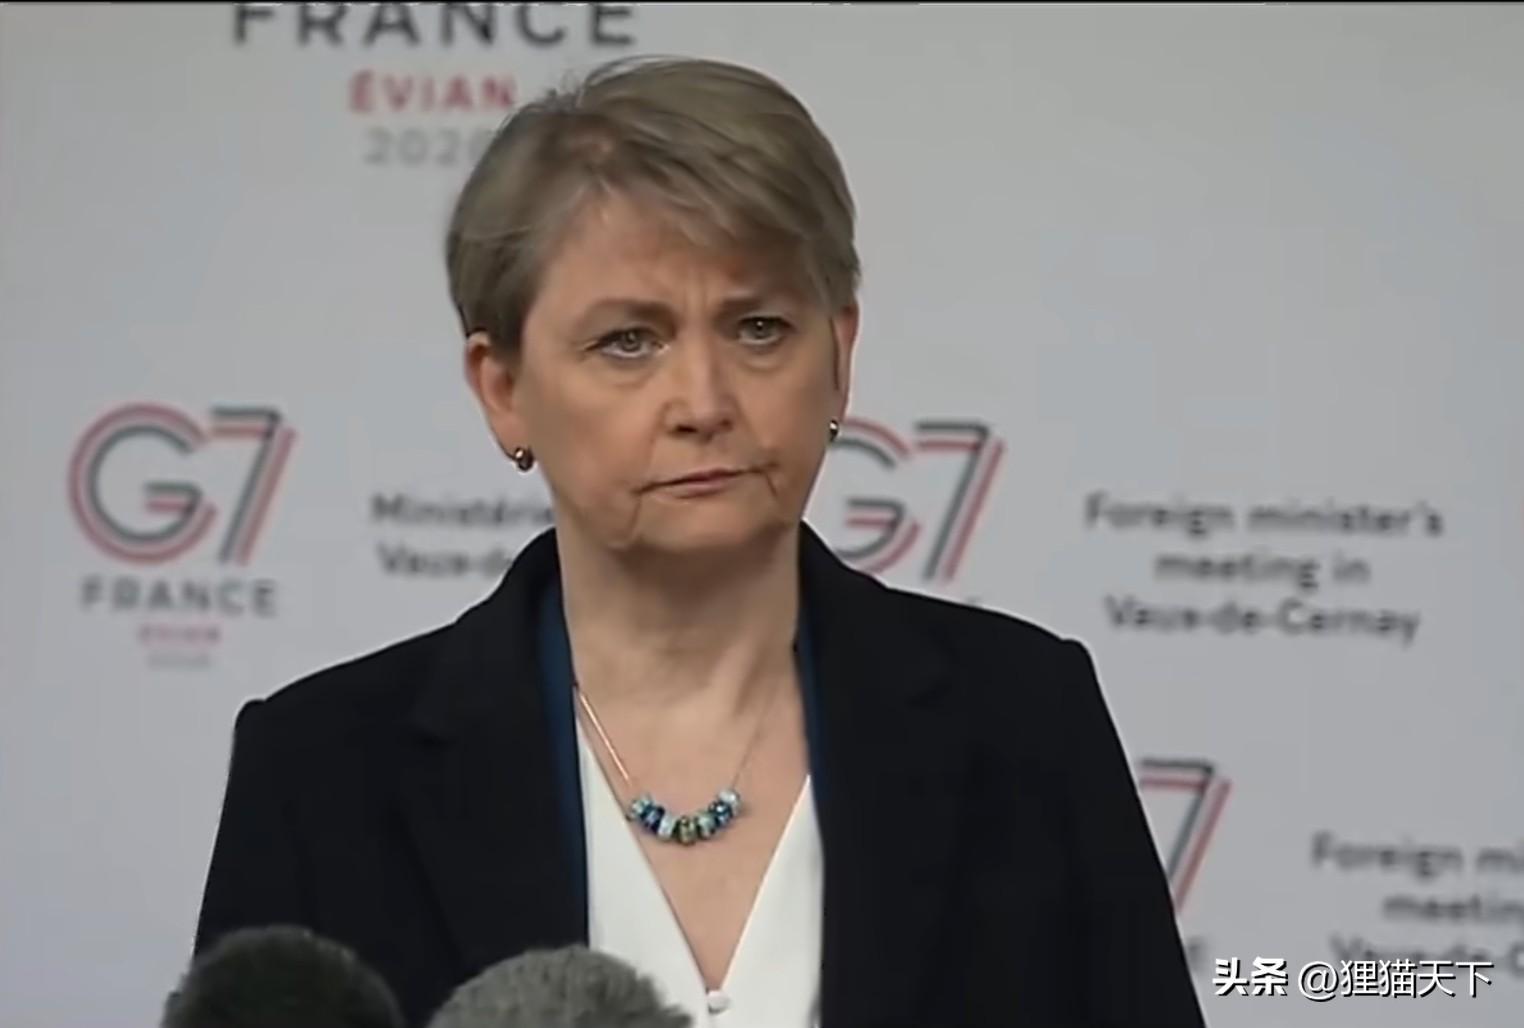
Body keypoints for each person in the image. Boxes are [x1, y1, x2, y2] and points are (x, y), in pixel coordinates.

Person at [193, 55, 1206, 1028]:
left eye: (758, 328)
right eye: (628, 341)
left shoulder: (1027, 718)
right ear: (504, 389)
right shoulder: (322, 772)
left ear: (840, 354)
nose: (705, 402)